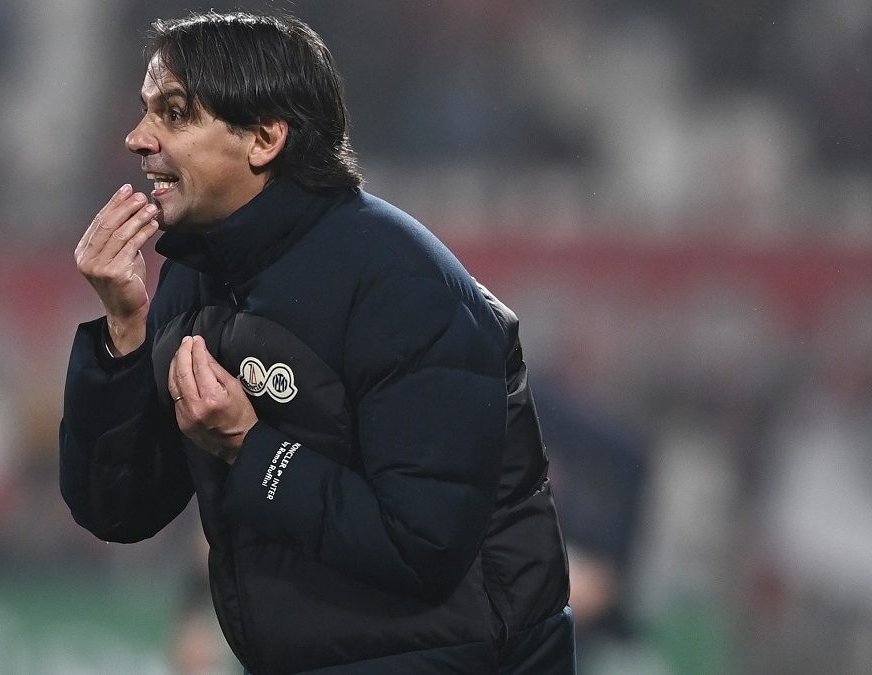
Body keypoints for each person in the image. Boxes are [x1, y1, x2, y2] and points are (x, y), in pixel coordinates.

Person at [59, 11, 574, 674]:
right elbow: (116, 510)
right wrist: (123, 332)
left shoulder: (404, 285)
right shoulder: (194, 277)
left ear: (264, 138)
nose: (137, 138)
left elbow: (424, 546)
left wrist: (251, 448)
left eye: (175, 113)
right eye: (146, 110)